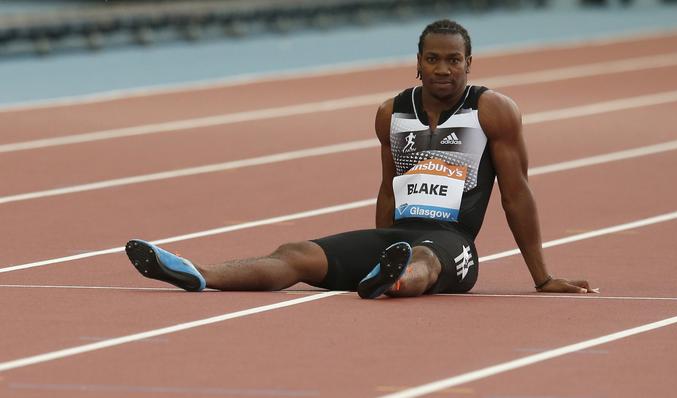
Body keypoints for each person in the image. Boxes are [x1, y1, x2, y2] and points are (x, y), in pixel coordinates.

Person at [126, 19, 597, 298]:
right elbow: (388, 184)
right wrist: (380, 240)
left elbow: (516, 194)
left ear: (469, 64)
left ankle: (392, 281)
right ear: (418, 62)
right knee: (296, 254)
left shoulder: (491, 109)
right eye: (433, 59)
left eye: (453, 60)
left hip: (454, 246)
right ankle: (198, 274)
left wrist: (542, 277)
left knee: (423, 260)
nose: (443, 68)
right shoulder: (391, 112)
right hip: (395, 237)